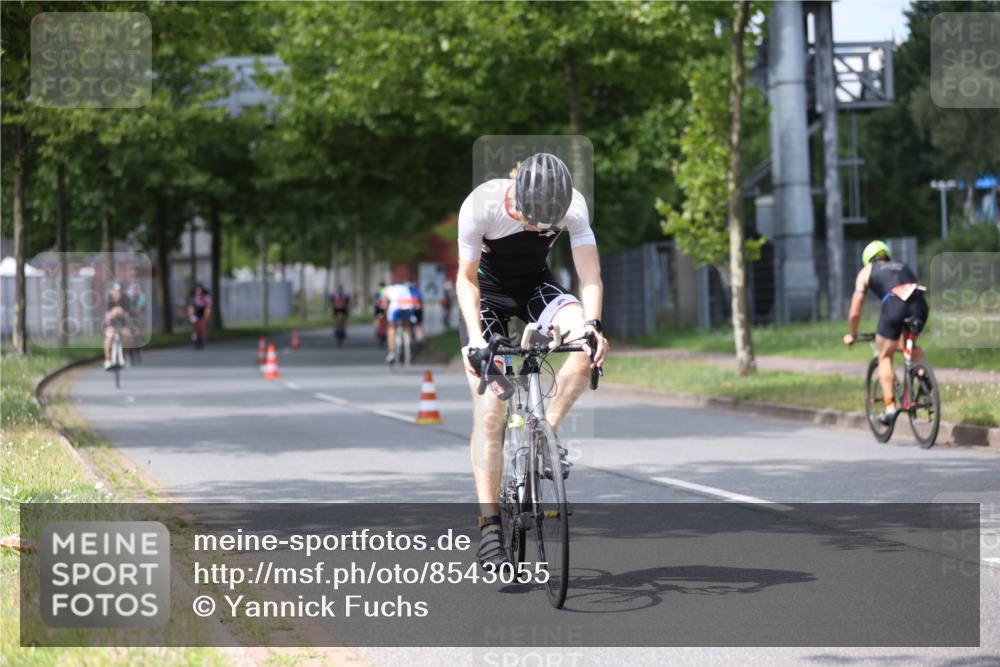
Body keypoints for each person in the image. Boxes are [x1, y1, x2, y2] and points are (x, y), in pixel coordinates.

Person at [456, 153, 608, 569]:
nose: (538, 227)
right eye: (531, 217)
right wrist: (474, 341)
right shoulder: (482, 205)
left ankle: (544, 435)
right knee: (491, 409)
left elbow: (589, 276)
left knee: (584, 350)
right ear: (516, 194)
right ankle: (490, 527)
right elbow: (465, 279)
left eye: (546, 222)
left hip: (537, 288)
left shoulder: (573, 206)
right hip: (486, 296)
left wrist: (592, 326)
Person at [843, 240, 929, 424]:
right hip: (919, 305)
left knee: (884, 356)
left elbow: (855, 311)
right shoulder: (903, 265)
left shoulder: (866, 271)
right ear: (887, 255)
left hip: (894, 307)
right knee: (910, 345)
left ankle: (890, 408)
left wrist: (852, 334)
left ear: (868, 259)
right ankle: (924, 377)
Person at [384, 281, 419, 364]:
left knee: (391, 328)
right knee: (406, 326)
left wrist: (386, 313)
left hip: (396, 307)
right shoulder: (406, 288)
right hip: (407, 306)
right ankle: (408, 343)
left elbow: (385, 303)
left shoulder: (388, 289)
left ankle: (391, 352)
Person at [103, 282, 133, 369]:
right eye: (115, 291)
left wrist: (121, 312)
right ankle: (108, 359)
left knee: (128, 336)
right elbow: (106, 316)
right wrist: (114, 312)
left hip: (123, 324)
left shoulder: (126, 299)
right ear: (111, 291)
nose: (117, 294)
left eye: (119, 291)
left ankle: (125, 355)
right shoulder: (108, 300)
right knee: (109, 336)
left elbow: (128, 314)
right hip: (111, 324)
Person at [187, 284, 212, 349]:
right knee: (195, 326)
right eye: (197, 294)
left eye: (200, 293)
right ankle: (195, 337)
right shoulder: (195, 298)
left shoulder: (207, 298)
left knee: (202, 326)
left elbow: (207, 308)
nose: (199, 295)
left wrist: (206, 317)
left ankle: (202, 338)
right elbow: (191, 308)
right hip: (196, 314)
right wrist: (191, 316)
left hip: (203, 313)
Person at [408, 280, 425, 350]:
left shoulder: (405, 291)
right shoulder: (417, 291)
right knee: (419, 324)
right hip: (417, 310)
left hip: (409, 310)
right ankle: (420, 340)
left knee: (407, 325)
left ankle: (409, 340)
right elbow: (421, 302)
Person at [372, 281, 388, 346]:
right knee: (387, 320)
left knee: (377, 319)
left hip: (378, 309)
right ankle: (386, 332)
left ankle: (376, 330)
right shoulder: (387, 291)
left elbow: (374, 302)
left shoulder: (377, 292)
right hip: (385, 309)